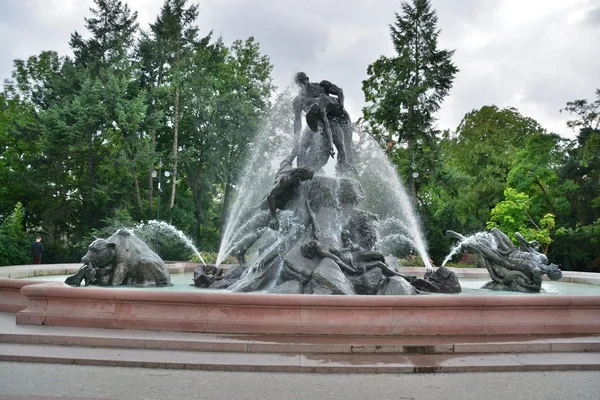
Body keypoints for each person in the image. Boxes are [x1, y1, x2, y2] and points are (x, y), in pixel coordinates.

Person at [282, 72, 355, 173]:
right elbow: (297, 122)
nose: (302, 85)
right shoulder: (298, 100)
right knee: (301, 146)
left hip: (330, 119)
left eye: (303, 82)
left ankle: (343, 169)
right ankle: (300, 173)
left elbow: (340, 91)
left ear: (307, 79)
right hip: (314, 123)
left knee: (340, 144)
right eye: (299, 84)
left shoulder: (321, 87)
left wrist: (341, 106)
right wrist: (296, 141)